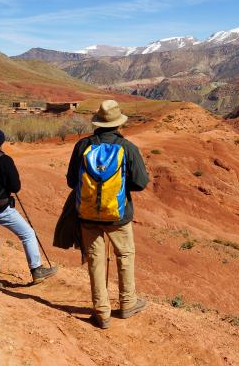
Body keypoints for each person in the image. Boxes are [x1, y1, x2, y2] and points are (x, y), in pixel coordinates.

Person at [66, 100, 149, 329]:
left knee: (95, 260)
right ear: (118, 123)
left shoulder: (82, 146)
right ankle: (127, 303)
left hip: (87, 215)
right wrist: (117, 187)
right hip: (118, 215)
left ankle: (101, 313)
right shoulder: (127, 147)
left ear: (98, 123)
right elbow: (141, 182)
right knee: (125, 255)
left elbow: (71, 181)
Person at [0, 126, 57, 289]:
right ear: (1, 141)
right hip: (0, 209)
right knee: (27, 233)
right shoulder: (5, 160)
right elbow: (15, 187)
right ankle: (36, 270)